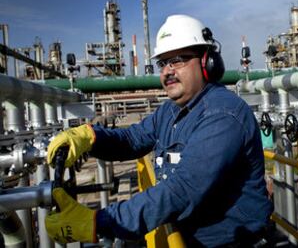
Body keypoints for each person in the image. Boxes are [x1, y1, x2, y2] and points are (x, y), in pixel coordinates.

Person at [45, 14, 273, 247]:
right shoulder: (171, 110)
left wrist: (99, 221)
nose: (167, 71)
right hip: (184, 236)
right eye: (163, 63)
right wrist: (90, 137)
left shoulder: (223, 114)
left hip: (231, 242)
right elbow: (133, 138)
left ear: (207, 63)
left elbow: (182, 190)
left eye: (179, 60)